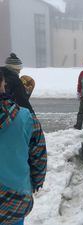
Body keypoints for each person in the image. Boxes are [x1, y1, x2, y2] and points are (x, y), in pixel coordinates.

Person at [0, 71, 47, 225]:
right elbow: (39, 158)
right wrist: (36, 182)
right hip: (14, 201)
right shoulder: (26, 118)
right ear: (3, 84)